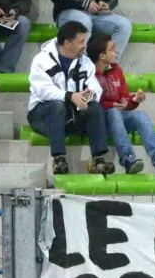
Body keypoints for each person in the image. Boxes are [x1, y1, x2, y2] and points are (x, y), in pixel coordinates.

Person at [27, 20, 114, 176]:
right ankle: (59, 159)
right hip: (42, 116)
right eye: (81, 42)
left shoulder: (85, 62)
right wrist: (70, 96)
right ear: (67, 43)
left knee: (94, 106)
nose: (84, 46)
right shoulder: (41, 60)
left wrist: (86, 96)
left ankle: (98, 160)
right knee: (56, 106)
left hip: (71, 116)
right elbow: (42, 91)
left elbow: (95, 88)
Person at [89, 32, 155, 175]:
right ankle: (128, 159)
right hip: (100, 121)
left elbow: (124, 100)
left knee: (140, 116)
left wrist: (133, 100)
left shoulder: (116, 70)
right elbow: (90, 104)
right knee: (113, 112)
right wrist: (111, 106)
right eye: (112, 49)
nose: (116, 51)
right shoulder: (89, 74)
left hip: (118, 117)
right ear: (102, 56)